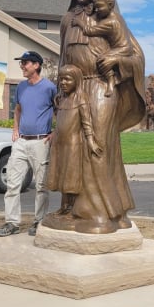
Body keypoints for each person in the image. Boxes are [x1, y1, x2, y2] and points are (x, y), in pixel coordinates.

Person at [42, 0, 145, 234]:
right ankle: (74, 208)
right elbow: (64, 57)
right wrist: (61, 92)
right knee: (71, 148)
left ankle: (100, 212)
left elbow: (135, 55)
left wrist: (116, 59)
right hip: (74, 90)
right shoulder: (67, 20)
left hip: (100, 86)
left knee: (97, 147)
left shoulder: (109, 17)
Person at [0, 50, 56, 237]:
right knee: (13, 184)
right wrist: (15, 130)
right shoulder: (21, 87)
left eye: (26, 63)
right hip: (21, 142)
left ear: (36, 65)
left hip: (41, 141)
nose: (22, 66)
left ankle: (39, 221)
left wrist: (56, 131)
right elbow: (18, 109)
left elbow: (61, 110)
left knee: (41, 186)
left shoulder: (49, 87)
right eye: (21, 63)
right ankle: (12, 223)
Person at [45, 64, 102, 219]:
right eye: (61, 79)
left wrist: (91, 141)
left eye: (67, 79)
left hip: (73, 144)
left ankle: (72, 209)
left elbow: (86, 122)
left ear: (76, 80)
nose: (63, 83)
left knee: (71, 177)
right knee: (61, 175)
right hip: (59, 143)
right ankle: (63, 207)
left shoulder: (81, 98)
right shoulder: (61, 98)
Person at [72, 0, 132, 97]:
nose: (97, 10)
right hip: (122, 47)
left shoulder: (110, 22)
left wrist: (79, 22)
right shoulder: (117, 17)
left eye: (100, 6)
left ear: (110, 5)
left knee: (101, 60)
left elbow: (90, 31)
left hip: (121, 48)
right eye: (96, 7)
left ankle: (111, 80)